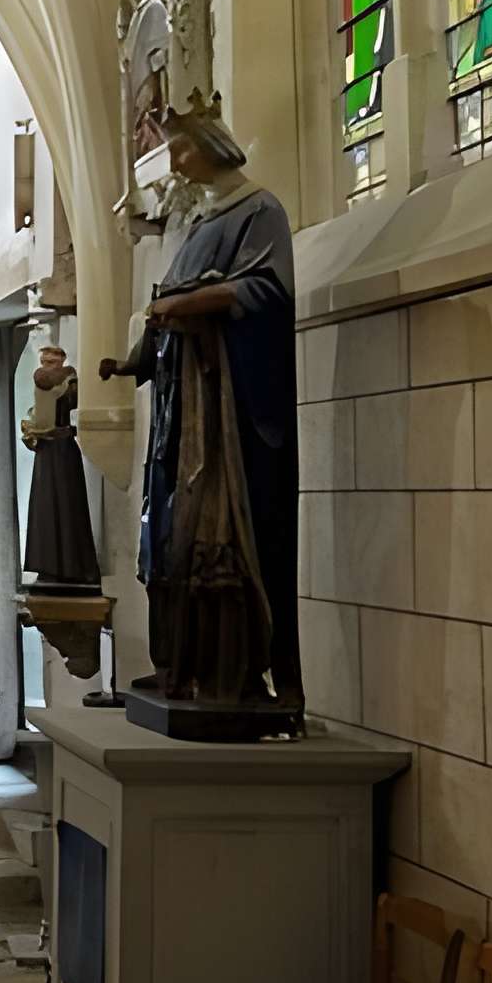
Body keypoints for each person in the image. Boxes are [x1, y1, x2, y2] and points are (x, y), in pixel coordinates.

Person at [100, 95, 301, 730]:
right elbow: (169, 305)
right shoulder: (196, 223)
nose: (176, 162)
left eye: (181, 147)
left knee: (224, 532)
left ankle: (234, 672)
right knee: (173, 535)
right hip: (180, 412)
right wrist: (136, 360)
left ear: (211, 144)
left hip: (225, 416)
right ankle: (183, 663)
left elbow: (267, 292)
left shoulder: (260, 210)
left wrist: (185, 310)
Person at [21, 345, 99, 591]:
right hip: (53, 449)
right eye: (44, 362)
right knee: (52, 505)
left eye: (51, 362)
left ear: (61, 361)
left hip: (59, 449)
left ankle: (67, 566)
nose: (46, 367)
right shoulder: (64, 382)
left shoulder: (68, 382)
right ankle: (57, 565)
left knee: (65, 504)